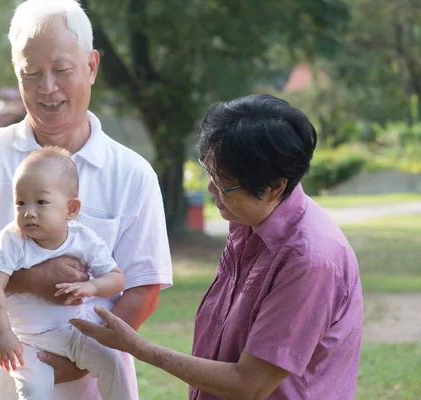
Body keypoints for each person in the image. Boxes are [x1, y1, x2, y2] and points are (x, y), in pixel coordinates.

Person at [0, 0, 173, 399]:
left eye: (62, 70)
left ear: (92, 67)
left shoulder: (132, 173)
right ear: (16, 72)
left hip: (94, 383)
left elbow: (143, 288)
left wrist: (76, 360)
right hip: (2, 381)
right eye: (31, 73)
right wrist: (32, 278)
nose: (47, 88)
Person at [71, 94, 363, 400]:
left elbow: (249, 385)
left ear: (275, 187)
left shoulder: (310, 260)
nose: (211, 188)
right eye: (208, 171)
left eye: (223, 182)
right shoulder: (247, 220)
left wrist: (139, 348)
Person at [0, 146, 131, 399]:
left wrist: (92, 287)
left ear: (71, 209)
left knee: (111, 362)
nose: (28, 211)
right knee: (34, 388)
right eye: (20, 203)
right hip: (26, 340)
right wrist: (3, 334)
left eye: (41, 201)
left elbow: (116, 279)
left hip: (71, 331)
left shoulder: (83, 239)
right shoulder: (11, 240)